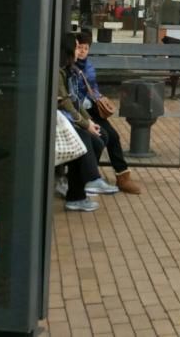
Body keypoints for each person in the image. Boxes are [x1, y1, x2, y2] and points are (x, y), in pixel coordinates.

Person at [74, 31, 142, 194]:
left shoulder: (88, 65)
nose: (83, 51)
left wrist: (98, 97)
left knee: (114, 136)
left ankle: (123, 177)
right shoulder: (71, 67)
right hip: (80, 112)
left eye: (86, 48)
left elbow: (93, 86)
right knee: (100, 137)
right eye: (79, 47)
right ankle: (90, 178)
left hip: (93, 108)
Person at [57, 34, 115, 211]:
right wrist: (85, 124)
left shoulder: (72, 70)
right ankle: (90, 180)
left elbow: (75, 101)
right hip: (61, 122)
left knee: (102, 136)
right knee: (84, 138)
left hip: (71, 119)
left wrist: (89, 121)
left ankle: (79, 191)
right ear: (68, 50)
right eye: (76, 47)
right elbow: (65, 102)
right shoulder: (59, 71)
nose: (79, 51)